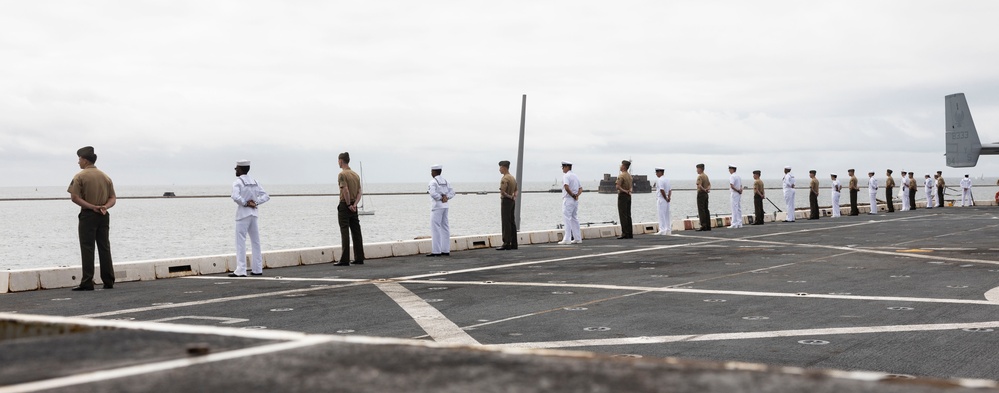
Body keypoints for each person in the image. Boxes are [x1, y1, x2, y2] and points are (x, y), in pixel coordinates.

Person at [68, 146, 116, 291]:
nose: (78, 162)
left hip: (88, 215)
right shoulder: (105, 176)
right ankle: (108, 280)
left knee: (87, 248)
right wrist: (105, 207)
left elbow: (74, 197)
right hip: (103, 215)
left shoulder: (80, 176)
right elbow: (113, 198)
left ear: (85, 160)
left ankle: (87, 281)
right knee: (104, 247)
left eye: (79, 159)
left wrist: (91, 207)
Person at [230, 159, 270, 277]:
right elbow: (266, 196)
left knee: (240, 242)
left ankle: (241, 270)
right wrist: (256, 202)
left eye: (236, 168)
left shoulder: (238, 182)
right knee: (256, 242)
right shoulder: (255, 181)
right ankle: (257, 269)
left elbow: (235, 196)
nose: (235, 169)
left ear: (241, 169)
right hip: (254, 214)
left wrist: (246, 203)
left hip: (243, 214)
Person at [335, 152, 364, 266]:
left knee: (345, 230)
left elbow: (345, 190)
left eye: (338, 161)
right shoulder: (355, 175)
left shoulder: (342, 175)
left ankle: (344, 259)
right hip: (354, 205)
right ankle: (359, 257)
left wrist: (348, 205)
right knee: (356, 232)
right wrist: (355, 204)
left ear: (341, 161)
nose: (338, 163)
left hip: (345, 205)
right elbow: (360, 192)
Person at [427, 164, 456, 257]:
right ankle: (445, 250)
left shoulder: (433, 182)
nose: (431, 173)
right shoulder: (446, 181)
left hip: (437, 206)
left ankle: (436, 251)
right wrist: (446, 197)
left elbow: (432, 193)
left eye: (432, 171)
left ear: (434, 172)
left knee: (435, 228)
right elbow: (453, 192)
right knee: (445, 227)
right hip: (445, 205)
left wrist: (440, 198)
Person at [559, 161, 583, 244]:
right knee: (574, 218)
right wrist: (576, 195)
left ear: (566, 167)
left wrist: (572, 195)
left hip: (568, 199)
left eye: (563, 167)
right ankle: (577, 238)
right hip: (575, 200)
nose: (562, 169)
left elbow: (566, 187)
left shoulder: (566, 176)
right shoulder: (575, 176)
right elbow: (580, 188)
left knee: (567, 218)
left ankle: (567, 239)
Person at [497, 160, 518, 250]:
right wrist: (514, 197)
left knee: (506, 222)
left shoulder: (505, 178)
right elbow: (516, 190)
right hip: (512, 202)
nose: (499, 169)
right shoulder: (512, 178)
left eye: (500, 167)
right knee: (512, 222)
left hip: (506, 201)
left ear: (504, 167)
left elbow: (503, 192)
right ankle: (514, 243)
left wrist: (509, 196)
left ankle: (506, 243)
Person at [616, 160, 634, 239]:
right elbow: (631, 186)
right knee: (628, 214)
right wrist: (629, 191)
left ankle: (625, 233)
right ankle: (630, 233)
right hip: (629, 196)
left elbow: (618, 186)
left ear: (624, 166)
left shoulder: (621, 176)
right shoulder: (629, 176)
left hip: (623, 196)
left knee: (623, 215)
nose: (620, 166)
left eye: (621, 165)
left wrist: (624, 191)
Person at [654, 167, 672, 235]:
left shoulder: (659, 180)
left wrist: (665, 198)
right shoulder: (667, 180)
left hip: (662, 199)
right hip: (667, 199)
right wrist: (669, 197)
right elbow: (670, 190)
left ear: (660, 172)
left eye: (656, 172)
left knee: (661, 214)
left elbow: (662, 190)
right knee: (667, 215)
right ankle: (668, 229)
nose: (656, 174)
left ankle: (662, 230)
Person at [695, 163, 712, 231]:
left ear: (700, 169)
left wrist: (704, 190)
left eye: (697, 169)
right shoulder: (706, 176)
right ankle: (708, 225)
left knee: (701, 210)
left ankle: (703, 225)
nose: (697, 170)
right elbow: (709, 184)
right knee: (706, 209)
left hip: (701, 193)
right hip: (706, 194)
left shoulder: (700, 176)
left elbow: (699, 185)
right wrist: (707, 189)